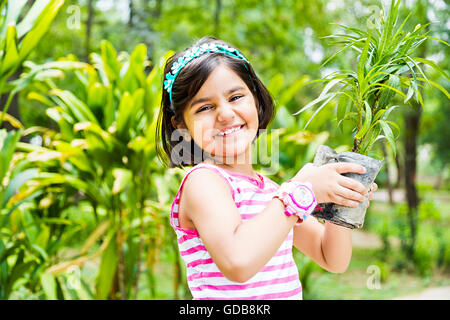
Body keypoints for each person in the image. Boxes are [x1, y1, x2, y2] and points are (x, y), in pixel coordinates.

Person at [156, 36, 378, 300]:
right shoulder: (204, 182)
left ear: (257, 101)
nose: (225, 114)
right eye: (205, 107)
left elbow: (331, 258)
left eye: (236, 97)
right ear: (182, 127)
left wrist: (342, 201)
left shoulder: (272, 193)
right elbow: (238, 262)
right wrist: (300, 192)